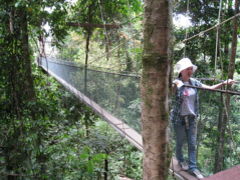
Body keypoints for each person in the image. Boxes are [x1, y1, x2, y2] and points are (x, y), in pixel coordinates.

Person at [171, 58, 235, 179]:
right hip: (178, 119)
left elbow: (209, 88)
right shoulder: (176, 83)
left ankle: (193, 168)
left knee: (192, 143)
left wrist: (224, 83)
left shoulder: (194, 82)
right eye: (188, 69)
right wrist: (175, 85)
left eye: (191, 69)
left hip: (191, 118)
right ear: (182, 71)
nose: (190, 71)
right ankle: (180, 160)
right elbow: (171, 90)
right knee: (179, 142)